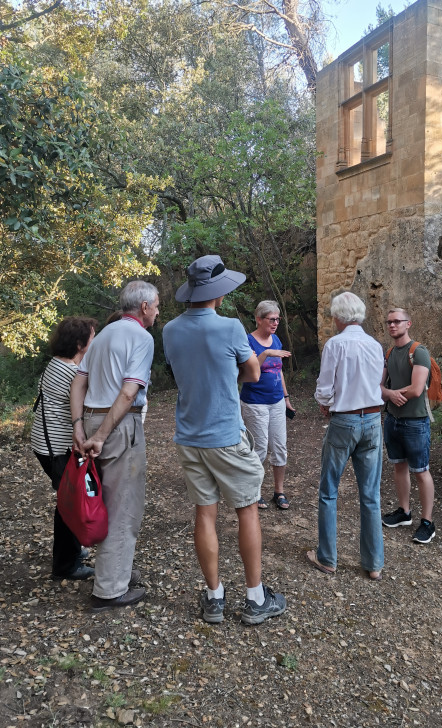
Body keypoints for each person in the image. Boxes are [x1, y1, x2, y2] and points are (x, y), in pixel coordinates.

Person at [163, 255, 286, 625]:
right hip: (225, 435)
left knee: (205, 512)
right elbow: (251, 372)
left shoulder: (169, 330)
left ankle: (214, 598)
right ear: (218, 292)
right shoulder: (230, 327)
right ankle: (255, 598)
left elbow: (180, 371)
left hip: (188, 435)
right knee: (247, 508)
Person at [71, 281, 159, 611]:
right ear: (145, 307)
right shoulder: (142, 337)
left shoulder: (104, 334)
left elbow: (79, 381)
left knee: (105, 498)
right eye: (157, 305)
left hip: (94, 419)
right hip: (119, 425)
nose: (158, 311)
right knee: (124, 505)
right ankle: (109, 591)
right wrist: (102, 435)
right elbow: (128, 392)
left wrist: (80, 426)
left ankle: (115, 571)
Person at [309, 291, 385, 580]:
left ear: (338, 316)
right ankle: (374, 563)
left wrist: (325, 406)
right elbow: (378, 381)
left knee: (329, 490)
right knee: (371, 494)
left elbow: (325, 386)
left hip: (345, 420)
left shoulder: (335, 344)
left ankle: (327, 557)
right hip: (373, 419)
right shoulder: (375, 345)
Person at [31, 317, 98, 580]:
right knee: (70, 504)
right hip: (57, 449)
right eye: (93, 338)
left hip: (44, 444)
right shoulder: (72, 374)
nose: (95, 342)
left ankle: (70, 551)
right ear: (81, 344)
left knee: (67, 501)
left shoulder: (54, 365)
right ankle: (65, 564)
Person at [381, 307, 436, 544]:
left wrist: (390, 394)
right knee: (399, 467)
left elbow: (416, 389)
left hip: (415, 422)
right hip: (392, 420)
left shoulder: (418, 352)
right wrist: (388, 394)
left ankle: (427, 522)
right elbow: (378, 386)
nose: (392, 325)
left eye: (397, 321)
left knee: (421, 471)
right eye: (389, 322)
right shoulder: (390, 352)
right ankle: (404, 512)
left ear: (408, 324)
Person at [240, 300, 294, 510]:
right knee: (260, 448)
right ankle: (255, 492)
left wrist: (286, 397)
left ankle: (279, 492)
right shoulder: (247, 342)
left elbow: (279, 371)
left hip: (277, 401)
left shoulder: (277, 339)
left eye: (278, 319)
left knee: (280, 447)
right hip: (255, 403)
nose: (275, 323)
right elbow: (245, 375)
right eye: (271, 319)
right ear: (259, 319)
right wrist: (265, 354)